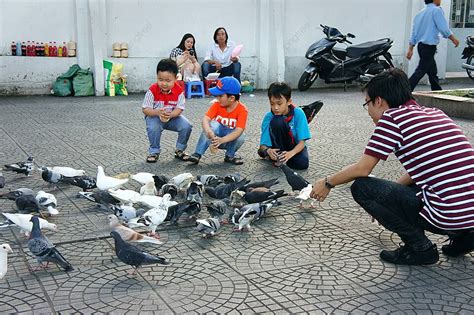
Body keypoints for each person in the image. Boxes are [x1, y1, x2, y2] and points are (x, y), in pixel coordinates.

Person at [310, 68, 474, 265]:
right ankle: (464, 237)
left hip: (449, 213)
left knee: (362, 187)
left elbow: (363, 169)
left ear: (378, 101)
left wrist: (327, 183)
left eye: (367, 103)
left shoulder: (392, 119)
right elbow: (423, 170)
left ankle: (419, 248)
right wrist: (389, 200)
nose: (369, 111)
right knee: (429, 190)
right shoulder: (435, 113)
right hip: (469, 212)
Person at [187, 77, 247, 165]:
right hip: (213, 138)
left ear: (231, 98)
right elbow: (205, 119)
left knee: (241, 136)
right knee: (214, 125)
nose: (217, 98)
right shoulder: (217, 105)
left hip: (227, 140)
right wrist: (209, 131)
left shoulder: (242, 110)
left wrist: (222, 140)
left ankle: (230, 155)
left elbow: (239, 130)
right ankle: (197, 153)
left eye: (220, 96)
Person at [141, 59, 192, 163]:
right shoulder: (152, 90)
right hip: (154, 117)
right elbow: (145, 109)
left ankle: (180, 150)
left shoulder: (179, 91)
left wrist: (171, 114)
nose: (163, 83)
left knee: (186, 126)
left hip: (172, 117)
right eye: (160, 79)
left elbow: (179, 108)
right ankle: (154, 151)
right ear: (157, 77)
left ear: (176, 78)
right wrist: (157, 112)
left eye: (168, 81)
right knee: (153, 127)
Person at [406, 0, 459, 91]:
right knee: (421, 70)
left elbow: (414, 33)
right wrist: (453, 39)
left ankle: (437, 90)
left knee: (432, 71)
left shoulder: (420, 14)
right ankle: (405, 90)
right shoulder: (436, 11)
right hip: (429, 47)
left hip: (421, 47)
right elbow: (443, 28)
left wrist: (410, 49)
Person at [258, 82, 311, 170]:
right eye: (272, 104)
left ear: (289, 102)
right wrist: (268, 151)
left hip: (294, 146)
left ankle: (284, 158)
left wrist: (291, 153)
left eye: (279, 104)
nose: (275, 108)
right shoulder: (269, 117)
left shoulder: (298, 113)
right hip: (276, 147)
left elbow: (302, 143)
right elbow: (263, 145)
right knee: (277, 120)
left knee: (302, 164)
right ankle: (275, 156)